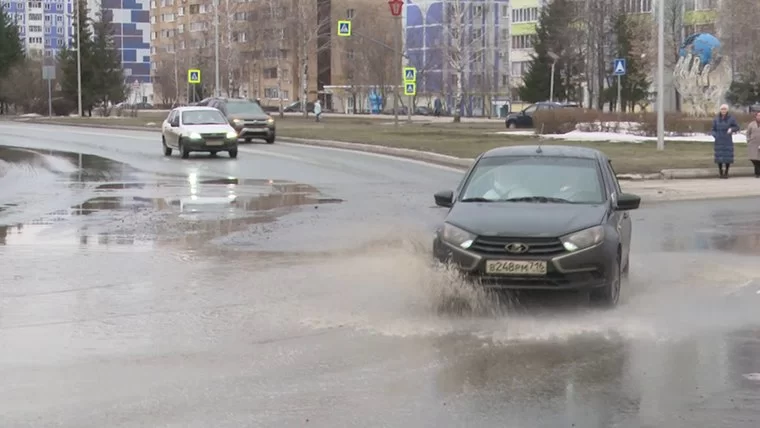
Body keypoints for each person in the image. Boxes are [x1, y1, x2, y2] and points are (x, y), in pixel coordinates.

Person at [711, 104, 740, 178]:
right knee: (719, 157)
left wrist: (731, 129)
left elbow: (737, 127)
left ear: (727, 110)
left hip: (727, 140)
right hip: (719, 140)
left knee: (727, 157)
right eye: (722, 109)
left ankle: (726, 172)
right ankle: (720, 172)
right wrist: (715, 135)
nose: (723, 110)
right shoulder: (716, 119)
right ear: (720, 110)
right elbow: (713, 129)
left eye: (725, 109)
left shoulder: (731, 118)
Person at [747, 112, 760, 177]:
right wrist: (748, 140)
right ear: (756, 116)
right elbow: (748, 133)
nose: (759, 117)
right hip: (753, 143)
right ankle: (757, 171)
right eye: (758, 115)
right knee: (754, 159)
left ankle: (757, 173)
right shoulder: (751, 124)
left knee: (759, 158)